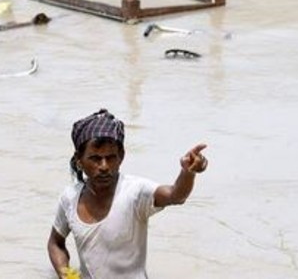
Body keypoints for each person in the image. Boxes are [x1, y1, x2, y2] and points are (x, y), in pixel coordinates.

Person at [47, 109, 208, 279]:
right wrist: (67, 274)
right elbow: (55, 243)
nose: (104, 166)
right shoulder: (70, 198)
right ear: (79, 160)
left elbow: (176, 195)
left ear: (121, 157)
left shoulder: (135, 192)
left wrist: (188, 172)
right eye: (95, 158)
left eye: (110, 158)